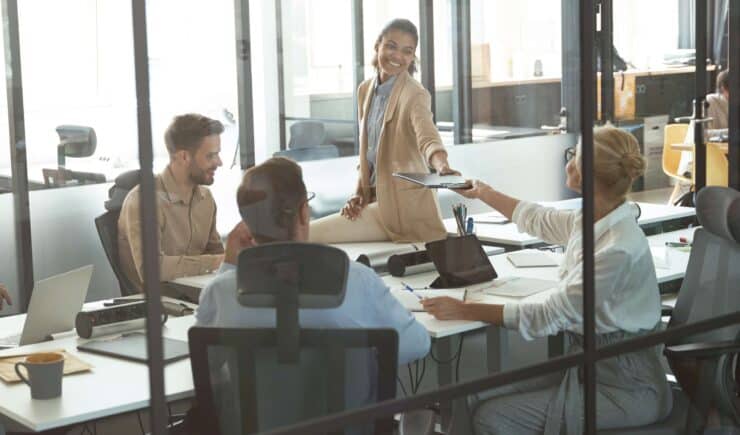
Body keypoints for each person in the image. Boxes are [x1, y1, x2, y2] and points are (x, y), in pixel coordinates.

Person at [422, 127, 672, 434]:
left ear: (589, 177)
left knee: (492, 417)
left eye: (574, 157)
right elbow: (538, 218)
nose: (567, 163)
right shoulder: (595, 219)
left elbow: (547, 315)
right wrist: (482, 191)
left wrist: (465, 309)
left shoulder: (617, 248)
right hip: (590, 367)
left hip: (626, 387)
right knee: (470, 397)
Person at [197, 156, 429, 363]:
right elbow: (417, 344)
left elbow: (209, 362)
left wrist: (229, 267)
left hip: (253, 413)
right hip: (348, 412)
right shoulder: (355, 279)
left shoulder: (221, 291)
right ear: (303, 213)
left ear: (246, 224)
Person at [309, 18, 458, 244]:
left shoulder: (415, 94)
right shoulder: (365, 90)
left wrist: (442, 166)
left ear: (412, 57)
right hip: (375, 202)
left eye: (407, 51)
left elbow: (428, 138)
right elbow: (370, 154)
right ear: (377, 45)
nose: (398, 56)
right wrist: (359, 194)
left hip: (404, 209)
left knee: (309, 234)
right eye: (391, 46)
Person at [118, 113, 225, 293]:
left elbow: (216, 254)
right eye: (210, 156)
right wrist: (216, 262)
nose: (219, 162)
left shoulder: (206, 199)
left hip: (199, 296)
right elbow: (152, 268)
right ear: (184, 157)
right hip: (160, 308)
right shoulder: (144, 202)